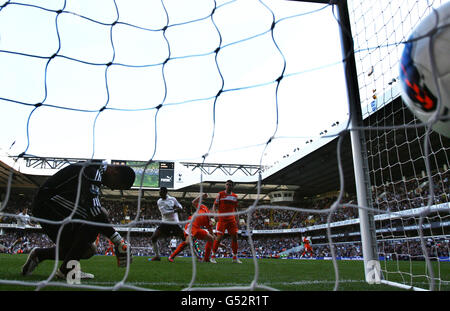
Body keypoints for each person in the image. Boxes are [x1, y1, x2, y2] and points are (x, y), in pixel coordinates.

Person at [21, 161, 135, 280]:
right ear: (114, 172)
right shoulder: (93, 171)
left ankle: (39, 255)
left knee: (88, 250)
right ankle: (67, 270)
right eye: (115, 185)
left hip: (51, 207)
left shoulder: (94, 170)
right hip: (48, 203)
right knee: (98, 214)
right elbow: (94, 210)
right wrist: (119, 241)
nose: (111, 188)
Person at [168, 193, 215, 262]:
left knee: (210, 239)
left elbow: (212, 234)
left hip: (197, 228)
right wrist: (201, 196)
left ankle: (206, 259)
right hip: (191, 225)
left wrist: (219, 243)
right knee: (187, 242)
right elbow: (193, 202)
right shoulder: (203, 207)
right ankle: (172, 256)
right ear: (211, 210)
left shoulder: (209, 222)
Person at [210, 180, 242, 263]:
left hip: (231, 219)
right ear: (225, 185)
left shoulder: (235, 196)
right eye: (227, 184)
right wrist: (215, 215)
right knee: (219, 237)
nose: (228, 186)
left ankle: (235, 257)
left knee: (235, 237)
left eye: (230, 185)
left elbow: (235, 209)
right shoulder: (220, 194)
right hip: (222, 219)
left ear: (232, 186)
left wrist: (237, 220)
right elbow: (214, 205)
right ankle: (212, 256)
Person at [149, 187, 185, 261]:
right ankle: (157, 256)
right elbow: (164, 213)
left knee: (185, 239)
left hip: (174, 223)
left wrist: (179, 208)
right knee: (154, 238)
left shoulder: (172, 199)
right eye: (159, 192)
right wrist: (175, 210)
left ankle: (196, 255)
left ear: (165, 192)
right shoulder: (159, 201)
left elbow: (180, 206)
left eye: (161, 192)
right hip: (165, 223)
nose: (160, 194)